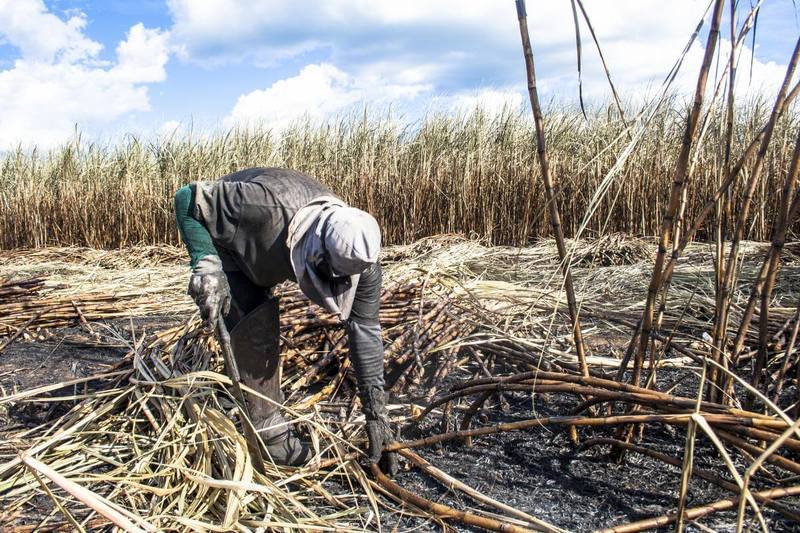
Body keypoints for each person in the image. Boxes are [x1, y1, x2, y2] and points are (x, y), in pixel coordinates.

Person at [173, 167, 396, 474]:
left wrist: (377, 415)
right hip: (231, 245)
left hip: (269, 253)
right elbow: (187, 198)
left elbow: (365, 331)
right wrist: (206, 264)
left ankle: (232, 394)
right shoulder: (263, 207)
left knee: (258, 315)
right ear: (314, 250)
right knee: (256, 323)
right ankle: (270, 436)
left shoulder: (359, 254)